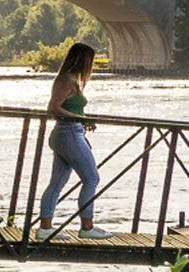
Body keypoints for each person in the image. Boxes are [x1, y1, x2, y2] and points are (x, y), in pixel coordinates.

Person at [38, 43, 114, 240]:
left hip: (69, 133)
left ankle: (45, 228)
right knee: (92, 178)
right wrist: (81, 119)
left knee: (57, 183)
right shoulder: (67, 80)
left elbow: (69, 108)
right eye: (91, 60)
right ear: (82, 60)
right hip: (68, 132)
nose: (92, 65)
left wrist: (83, 119)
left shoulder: (70, 80)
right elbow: (53, 108)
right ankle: (87, 228)